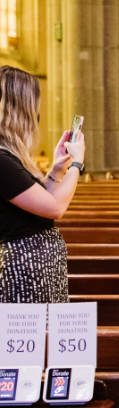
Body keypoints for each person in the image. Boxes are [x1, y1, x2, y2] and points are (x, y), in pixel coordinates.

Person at [0, 65, 85, 302]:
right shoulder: (2, 162)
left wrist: (57, 169)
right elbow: (55, 208)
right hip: (25, 271)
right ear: (20, 111)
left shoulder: (9, 159)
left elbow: (40, 203)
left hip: (38, 269)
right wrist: (77, 164)